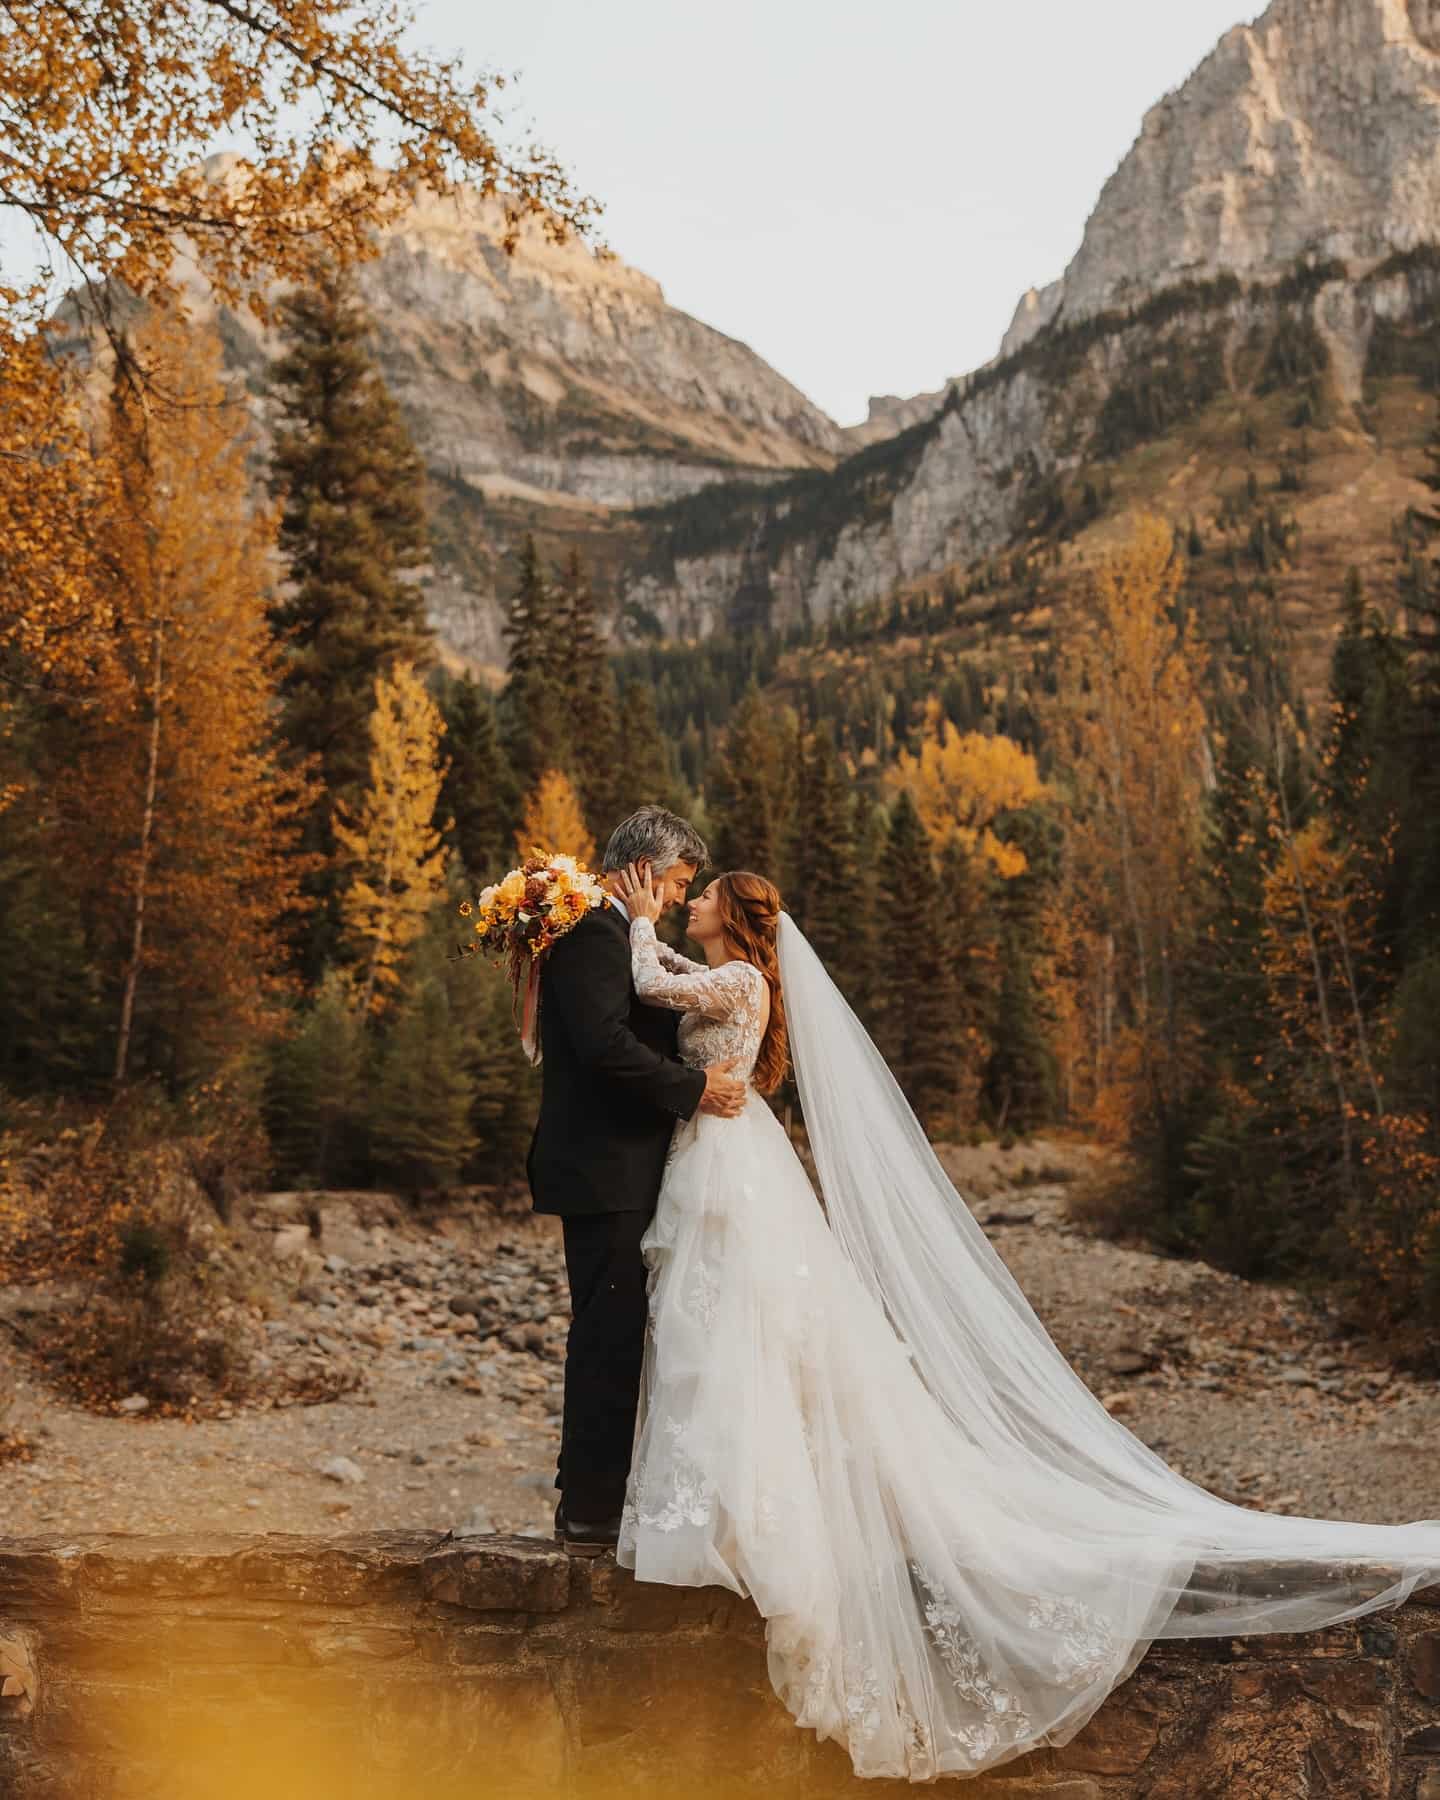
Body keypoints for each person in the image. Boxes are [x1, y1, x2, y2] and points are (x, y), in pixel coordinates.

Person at [607, 860, 1440, 1783]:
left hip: (728, 1157)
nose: (691, 899)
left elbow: (651, 981)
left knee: (739, 1323)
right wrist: (647, 928)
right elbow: (676, 982)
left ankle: (748, 1511)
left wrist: (635, 919)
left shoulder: (738, 976)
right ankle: (739, 1501)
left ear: (737, 914)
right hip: (723, 1148)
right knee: (728, 1328)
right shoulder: (732, 973)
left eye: (704, 893)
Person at [526, 807, 747, 1553]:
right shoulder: (595, 932)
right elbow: (604, 1046)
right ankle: (589, 1509)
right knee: (608, 1336)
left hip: (624, 1166)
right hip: (604, 1166)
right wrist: (694, 1090)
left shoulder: (619, 934)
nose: (684, 899)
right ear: (646, 870)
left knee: (619, 1333)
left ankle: (598, 1499)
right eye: (680, 880)